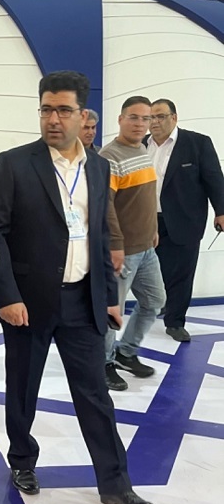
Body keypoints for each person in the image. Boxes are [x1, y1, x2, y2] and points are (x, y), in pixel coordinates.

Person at [0, 70, 155, 504]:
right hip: (29, 300)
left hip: (82, 299)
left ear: (83, 116)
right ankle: (22, 460)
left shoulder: (97, 166)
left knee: (95, 393)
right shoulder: (14, 163)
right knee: (23, 388)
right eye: (46, 109)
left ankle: (115, 482)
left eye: (63, 110)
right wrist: (7, 296)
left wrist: (110, 296)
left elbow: (99, 234)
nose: (53, 119)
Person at [101, 96, 165, 391]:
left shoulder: (142, 149)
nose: (141, 124)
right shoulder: (109, 157)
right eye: (134, 117)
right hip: (123, 251)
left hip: (147, 248)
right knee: (111, 312)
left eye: (146, 118)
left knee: (154, 301)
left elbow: (146, 197)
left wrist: (153, 228)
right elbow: (106, 207)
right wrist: (116, 245)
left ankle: (126, 352)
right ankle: (103, 363)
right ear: (120, 119)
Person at [146, 98, 224, 342]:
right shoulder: (140, 145)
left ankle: (175, 322)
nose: (154, 122)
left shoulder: (197, 143)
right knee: (150, 271)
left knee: (181, 273)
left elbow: (214, 179)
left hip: (184, 220)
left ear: (174, 117)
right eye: (151, 117)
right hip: (146, 222)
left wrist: (221, 211)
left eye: (160, 116)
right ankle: (159, 304)